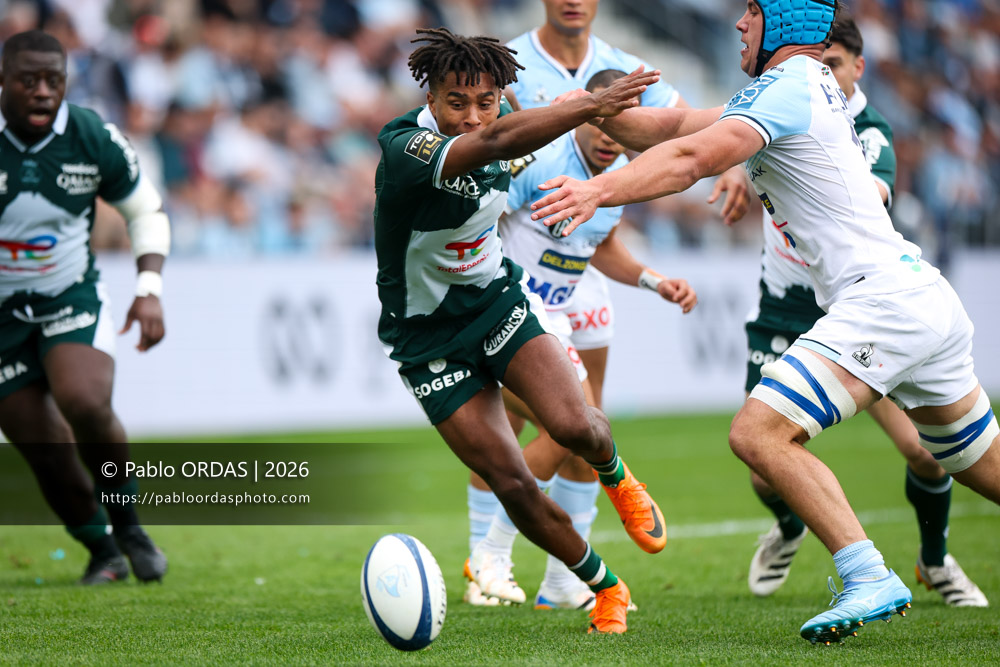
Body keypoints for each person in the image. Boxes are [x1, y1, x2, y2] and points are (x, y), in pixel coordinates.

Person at [528, 0, 1000, 643]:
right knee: (980, 465)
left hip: (882, 303)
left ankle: (868, 574)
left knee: (758, 435)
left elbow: (693, 158)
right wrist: (591, 109)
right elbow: (671, 126)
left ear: (782, 23)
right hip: (918, 298)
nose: (739, 25)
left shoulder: (792, 85)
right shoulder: (796, 88)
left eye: (751, 13)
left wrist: (597, 190)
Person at [462, 0, 752, 608]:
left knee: (583, 429)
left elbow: (603, 241)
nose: (608, 138)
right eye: (597, 125)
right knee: (564, 427)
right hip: (509, 308)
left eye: (618, 129)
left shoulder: (617, 166)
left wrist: (653, 280)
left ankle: (560, 584)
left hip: (567, 302)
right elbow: (479, 208)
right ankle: (488, 555)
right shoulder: (537, 157)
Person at [375, 27, 665, 634]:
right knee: (512, 481)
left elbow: (519, 126)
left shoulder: (506, 114)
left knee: (574, 424)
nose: (473, 116)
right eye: (456, 102)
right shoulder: (406, 148)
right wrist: (590, 105)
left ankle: (620, 479)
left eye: (485, 101)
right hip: (427, 339)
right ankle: (605, 587)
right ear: (430, 97)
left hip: (496, 303)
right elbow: (502, 138)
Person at [744, 13, 987, 607]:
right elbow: (726, 140)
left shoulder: (865, 129)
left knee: (916, 451)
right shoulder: (771, 104)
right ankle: (793, 524)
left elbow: (866, 192)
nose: (820, 73)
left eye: (832, 65)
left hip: (867, 306)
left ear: (856, 69)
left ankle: (926, 561)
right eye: (815, 62)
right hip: (791, 306)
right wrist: (735, 174)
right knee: (763, 461)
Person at [0, 30, 170, 584]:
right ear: (4, 81)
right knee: (40, 446)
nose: (43, 92)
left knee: (84, 400)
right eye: (29, 81)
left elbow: (146, 211)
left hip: (69, 297)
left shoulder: (92, 135)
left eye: (54, 80)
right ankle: (102, 549)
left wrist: (149, 289)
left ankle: (129, 525)